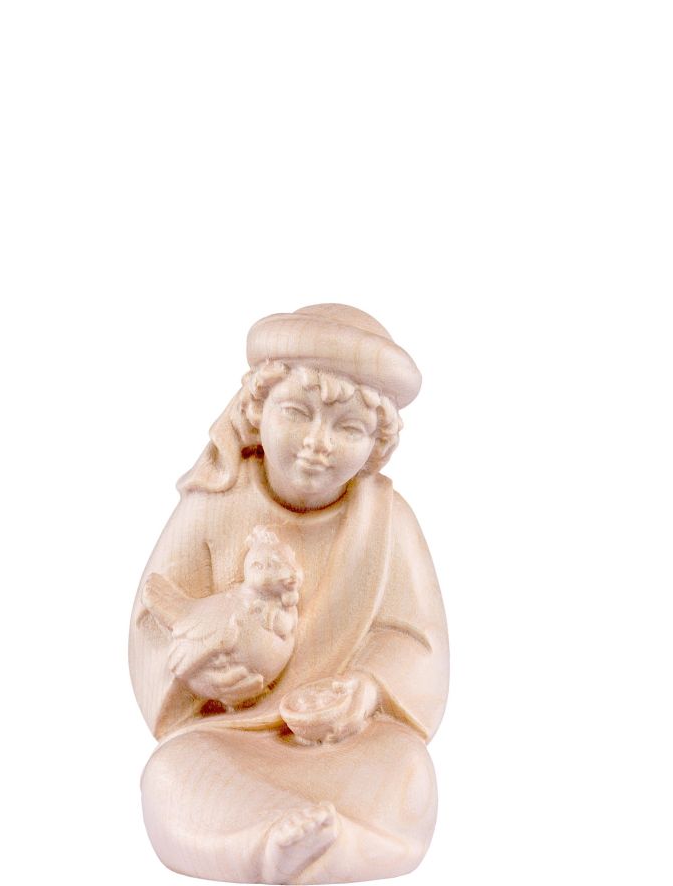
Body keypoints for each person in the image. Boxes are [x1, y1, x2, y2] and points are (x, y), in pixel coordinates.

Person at [129, 304, 449, 884]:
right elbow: (155, 618)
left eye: (348, 428)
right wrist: (196, 676)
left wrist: (365, 689)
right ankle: (268, 843)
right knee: (170, 776)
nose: (317, 444)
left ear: (376, 444)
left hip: (343, 744)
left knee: (408, 770)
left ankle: (340, 844)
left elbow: (416, 641)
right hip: (228, 739)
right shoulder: (214, 502)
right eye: (297, 413)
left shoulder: (387, 522)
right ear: (258, 410)